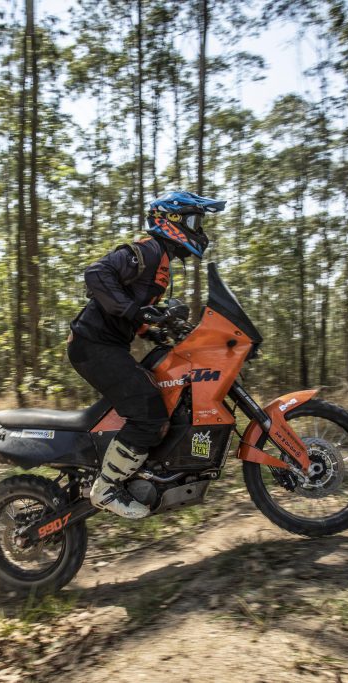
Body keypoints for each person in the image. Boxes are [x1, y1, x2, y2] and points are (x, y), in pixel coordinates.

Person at [68, 190, 226, 518]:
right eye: (195, 221)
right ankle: (107, 487)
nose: (200, 230)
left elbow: (132, 311)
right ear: (172, 220)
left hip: (104, 345)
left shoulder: (161, 262)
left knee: (157, 394)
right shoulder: (148, 250)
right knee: (150, 413)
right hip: (92, 346)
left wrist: (151, 328)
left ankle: (137, 473)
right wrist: (137, 312)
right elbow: (97, 275)